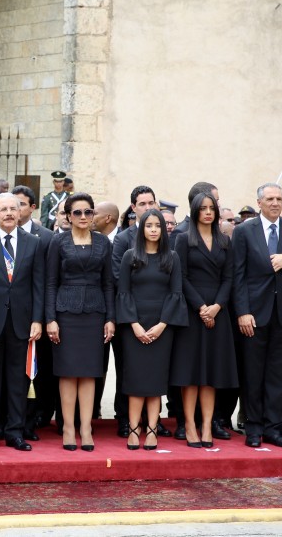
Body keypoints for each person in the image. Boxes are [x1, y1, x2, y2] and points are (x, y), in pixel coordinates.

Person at [232, 183, 282, 449]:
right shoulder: (244, 231)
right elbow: (238, 275)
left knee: (278, 374)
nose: (275, 203)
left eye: (279, 198)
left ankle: (273, 428)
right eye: (270, 199)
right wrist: (242, 311)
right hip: (254, 314)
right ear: (259, 203)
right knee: (253, 373)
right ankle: (253, 427)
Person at [0, 193, 44, 452]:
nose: (10, 213)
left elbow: (39, 285)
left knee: (17, 379)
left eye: (14, 208)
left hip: (22, 323)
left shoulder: (33, 243)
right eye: (4, 209)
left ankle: (15, 431)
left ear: (21, 211)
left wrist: (38, 319)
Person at [46, 193, 115, 451]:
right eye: (78, 212)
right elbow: (51, 282)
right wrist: (50, 318)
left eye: (88, 212)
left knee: (89, 373)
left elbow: (109, 283)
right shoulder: (58, 242)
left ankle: (86, 427)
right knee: (67, 372)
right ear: (68, 216)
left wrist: (110, 318)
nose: (84, 217)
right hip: (65, 313)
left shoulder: (103, 242)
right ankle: (67, 427)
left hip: (95, 313)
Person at [116, 209, 187, 449]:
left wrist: (162, 325)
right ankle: (134, 429)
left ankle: (152, 429)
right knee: (136, 381)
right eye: (149, 225)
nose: (154, 229)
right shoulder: (129, 256)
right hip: (133, 326)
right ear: (141, 228)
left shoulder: (172, 257)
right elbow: (123, 292)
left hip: (162, 327)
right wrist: (134, 325)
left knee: (156, 382)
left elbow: (176, 293)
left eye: (158, 225)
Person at [171, 193, 237, 447]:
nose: (208, 212)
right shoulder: (183, 239)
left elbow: (229, 278)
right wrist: (201, 307)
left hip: (218, 313)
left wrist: (217, 307)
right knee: (191, 373)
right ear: (195, 211)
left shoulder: (224, 241)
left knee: (211, 372)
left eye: (212, 208)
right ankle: (189, 425)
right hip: (192, 312)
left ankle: (207, 426)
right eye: (203, 208)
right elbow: (181, 277)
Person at [110, 185, 159, 438]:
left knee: (155, 369)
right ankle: (124, 417)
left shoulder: (163, 237)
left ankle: (152, 419)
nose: (148, 208)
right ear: (133, 208)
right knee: (128, 368)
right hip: (130, 316)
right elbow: (118, 278)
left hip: (158, 316)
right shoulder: (123, 238)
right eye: (142, 204)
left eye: (151, 203)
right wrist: (133, 317)